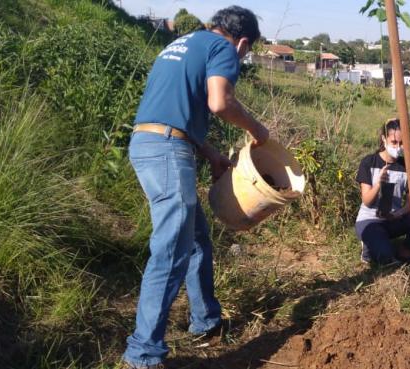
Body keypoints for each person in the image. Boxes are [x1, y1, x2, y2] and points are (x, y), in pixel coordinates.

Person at [122, 6, 269, 369]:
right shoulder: (223, 49)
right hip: (168, 151)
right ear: (243, 43)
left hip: (148, 143)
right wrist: (256, 129)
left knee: (196, 238)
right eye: (246, 52)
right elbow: (220, 102)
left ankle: (205, 320)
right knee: (171, 250)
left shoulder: (182, 43)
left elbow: (170, 113)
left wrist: (212, 154)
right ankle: (143, 353)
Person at [354, 118, 410, 265]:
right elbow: (367, 200)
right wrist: (378, 184)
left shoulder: (407, 166)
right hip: (369, 220)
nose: (398, 147)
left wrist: (398, 214)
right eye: (394, 142)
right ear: (384, 139)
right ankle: (369, 248)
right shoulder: (369, 162)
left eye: (401, 143)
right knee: (385, 257)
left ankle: (404, 250)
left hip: (393, 219)